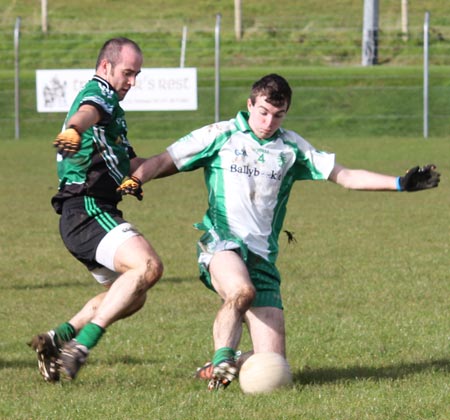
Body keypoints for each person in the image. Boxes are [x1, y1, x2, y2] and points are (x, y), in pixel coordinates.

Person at [117, 73, 440, 390]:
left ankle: (224, 364)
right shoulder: (221, 134)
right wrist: (136, 179)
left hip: (263, 258)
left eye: (278, 115)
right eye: (263, 112)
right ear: (250, 104)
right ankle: (222, 362)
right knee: (241, 292)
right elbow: (162, 161)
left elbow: (345, 176)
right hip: (222, 244)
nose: (269, 121)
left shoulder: (291, 148)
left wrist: (400, 184)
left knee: (274, 367)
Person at [29, 37, 164, 383]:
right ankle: (83, 344)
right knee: (148, 266)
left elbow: (134, 163)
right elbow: (87, 110)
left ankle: (58, 338)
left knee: (132, 295)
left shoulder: (115, 114)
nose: (132, 82)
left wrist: (188, 158)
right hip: (86, 207)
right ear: (106, 67)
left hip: (89, 213)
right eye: (128, 73)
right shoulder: (100, 91)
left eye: (137, 75)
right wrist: (74, 128)